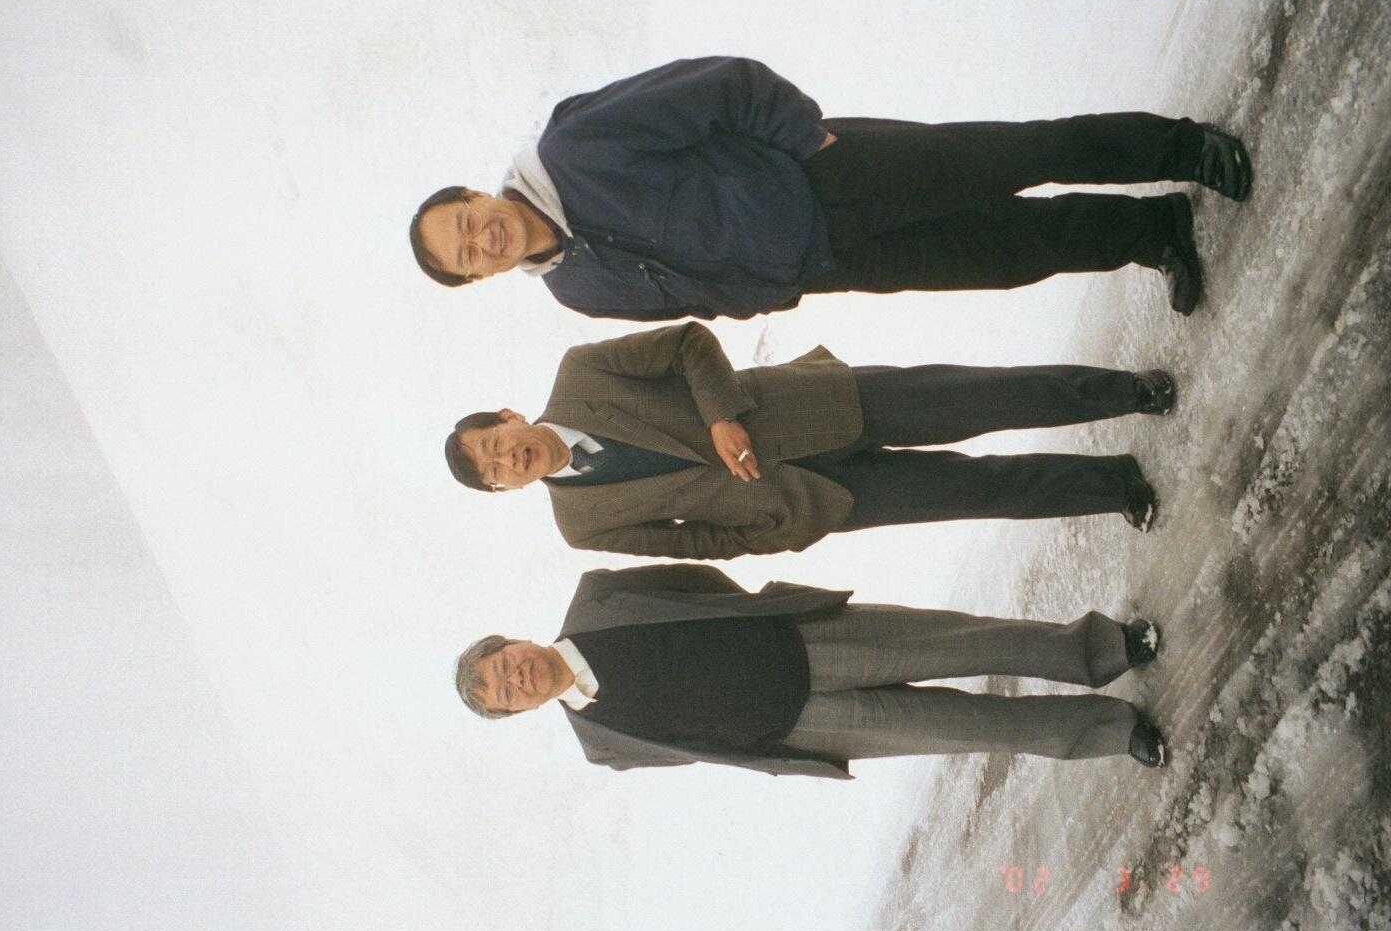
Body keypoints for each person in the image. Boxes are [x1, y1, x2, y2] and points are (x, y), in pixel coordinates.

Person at [409, 56, 1251, 321]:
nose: (480, 239)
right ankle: (1154, 232)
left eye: (465, 222)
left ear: (475, 195)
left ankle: (1183, 147)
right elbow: (688, 302)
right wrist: (770, 296)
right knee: (1002, 255)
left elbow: (719, 86)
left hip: (824, 174)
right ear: (480, 276)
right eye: (466, 256)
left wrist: (807, 136)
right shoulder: (573, 290)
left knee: (1015, 156)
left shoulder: (572, 147)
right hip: (824, 264)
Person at [443, 322, 1172, 559]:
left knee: (982, 397)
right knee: (976, 491)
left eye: (496, 442)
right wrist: (766, 534)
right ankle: (1114, 485)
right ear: (506, 489)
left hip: (816, 406)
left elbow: (689, 344)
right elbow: (689, 544)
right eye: (496, 472)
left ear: (508, 415)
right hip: (807, 501)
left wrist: (721, 416)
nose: (509, 458)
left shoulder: (581, 373)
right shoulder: (580, 524)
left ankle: (1127, 391)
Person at [453, 563, 1167, 776]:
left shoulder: (596, 598)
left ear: (512, 641)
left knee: (970, 642)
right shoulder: (600, 745)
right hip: (808, 727)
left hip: (807, 641)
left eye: (504, 664)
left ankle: (1104, 649)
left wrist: (759, 628)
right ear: (519, 712)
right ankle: (1112, 730)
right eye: (506, 694)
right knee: (977, 727)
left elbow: (695, 582)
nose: (517, 678)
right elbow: (691, 747)